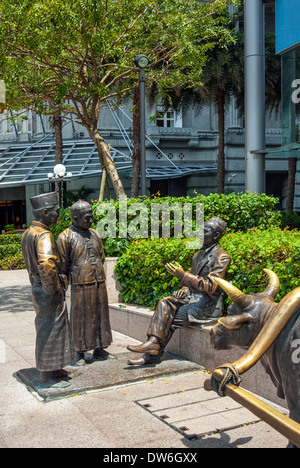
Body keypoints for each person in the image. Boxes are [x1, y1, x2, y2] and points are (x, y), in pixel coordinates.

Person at [127, 217, 231, 366]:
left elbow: (210, 286)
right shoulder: (198, 255)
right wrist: (184, 289)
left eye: (205, 231)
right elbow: (191, 283)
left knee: (169, 319)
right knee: (165, 303)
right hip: (192, 299)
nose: (200, 233)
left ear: (216, 236)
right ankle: (152, 345)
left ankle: (151, 353)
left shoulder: (222, 257)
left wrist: (183, 275)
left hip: (207, 305)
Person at [21, 192, 73, 387]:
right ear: (44, 212)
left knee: (52, 328)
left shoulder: (28, 233)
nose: (57, 215)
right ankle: (46, 374)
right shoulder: (44, 235)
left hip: (38, 286)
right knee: (50, 329)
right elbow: (47, 263)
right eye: (54, 212)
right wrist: (53, 288)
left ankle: (54, 367)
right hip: (47, 289)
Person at [57, 200, 114, 366]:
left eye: (91, 217)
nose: (91, 221)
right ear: (75, 218)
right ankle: (79, 352)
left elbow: (101, 256)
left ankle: (100, 349)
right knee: (81, 317)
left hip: (98, 280)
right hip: (81, 283)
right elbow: (62, 264)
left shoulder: (94, 234)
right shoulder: (65, 237)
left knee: (102, 315)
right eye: (87, 218)